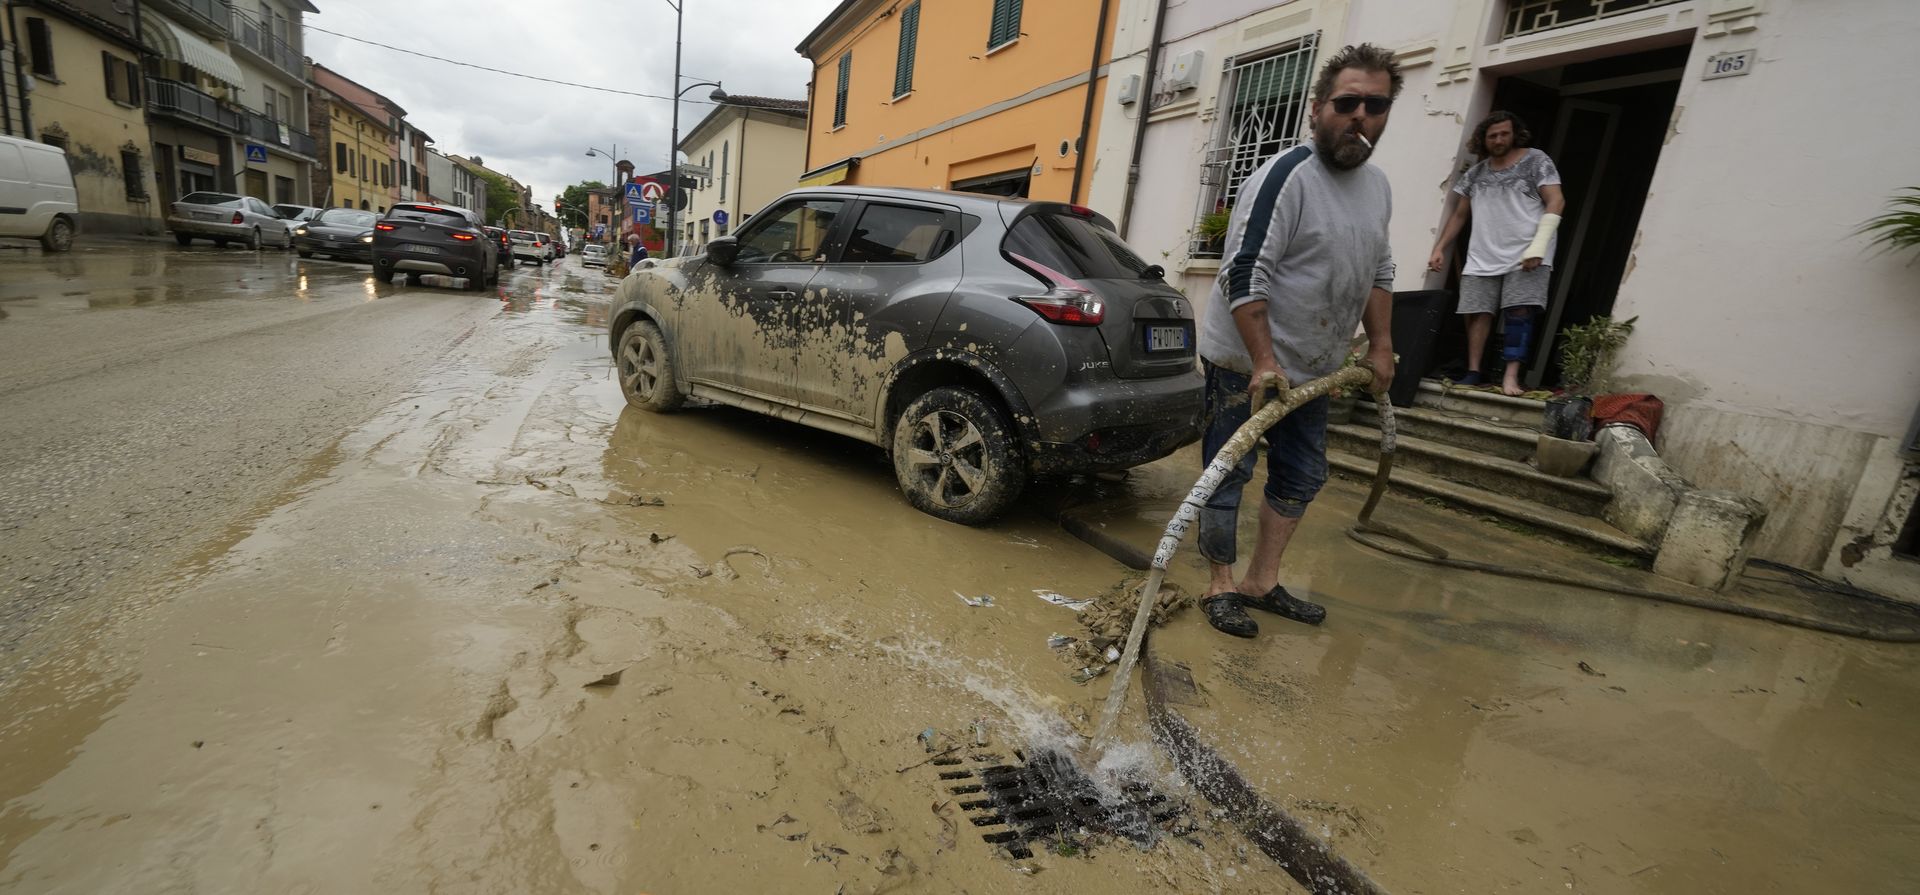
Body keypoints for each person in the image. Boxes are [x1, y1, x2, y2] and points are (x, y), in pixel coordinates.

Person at [1195, 43, 1400, 639]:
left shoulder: (1379, 186)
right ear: (1317, 110)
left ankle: (1261, 581)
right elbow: (1244, 273)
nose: (1360, 115)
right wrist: (1263, 361)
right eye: (1347, 102)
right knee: (1227, 471)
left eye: (1375, 105)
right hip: (1247, 362)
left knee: (1303, 475)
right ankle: (1220, 584)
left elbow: (1378, 272)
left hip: (1318, 368)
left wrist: (1380, 344)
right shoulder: (1285, 177)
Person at [1427, 111, 1566, 396]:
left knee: (1519, 313)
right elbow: (1460, 215)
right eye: (1493, 136)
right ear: (1483, 139)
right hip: (1483, 254)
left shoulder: (1536, 160)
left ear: (1514, 133)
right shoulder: (1475, 173)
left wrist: (1538, 245)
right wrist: (1440, 247)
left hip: (1529, 251)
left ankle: (1510, 377)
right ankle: (1475, 371)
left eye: (1504, 133)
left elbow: (1556, 200)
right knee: (1477, 313)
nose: (1499, 139)